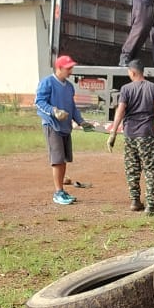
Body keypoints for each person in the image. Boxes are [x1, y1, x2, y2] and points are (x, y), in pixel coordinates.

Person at [107, 60, 154, 215]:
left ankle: (135, 201)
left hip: (129, 134)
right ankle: (150, 207)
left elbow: (120, 111)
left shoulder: (126, 89)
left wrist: (113, 133)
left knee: (132, 169)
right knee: (149, 170)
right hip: (146, 134)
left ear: (132, 72)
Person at [35, 54, 94, 205]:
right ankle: (58, 192)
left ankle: (61, 190)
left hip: (66, 127)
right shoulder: (47, 83)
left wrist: (81, 121)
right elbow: (39, 102)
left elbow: (72, 107)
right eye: (68, 68)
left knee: (64, 159)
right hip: (52, 125)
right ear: (59, 68)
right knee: (57, 160)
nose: (71, 71)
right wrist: (53, 111)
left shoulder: (69, 87)